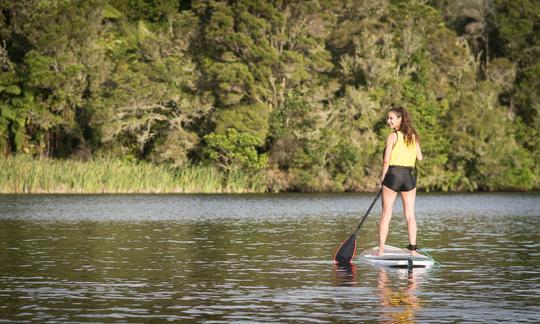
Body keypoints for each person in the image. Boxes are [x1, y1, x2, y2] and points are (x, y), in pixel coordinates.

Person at [376, 106, 423, 256]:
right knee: (410, 215)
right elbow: (419, 157)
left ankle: (381, 250)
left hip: (393, 174)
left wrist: (383, 177)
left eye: (391, 118)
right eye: (388, 118)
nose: (388, 121)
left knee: (386, 215)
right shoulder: (413, 136)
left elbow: (386, 160)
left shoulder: (392, 136)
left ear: (399, 119)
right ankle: (413, 250)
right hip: (409, 177)